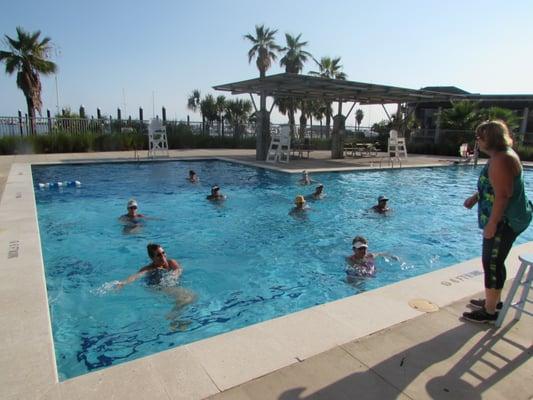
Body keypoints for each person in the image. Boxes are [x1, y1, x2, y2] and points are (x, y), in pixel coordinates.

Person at [462, 120, 532, 323]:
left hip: (505, 221)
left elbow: (503, 195)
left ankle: (489, 312)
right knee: (495, 262)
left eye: (480, 137)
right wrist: (476, 197)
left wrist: (492, 224)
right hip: (506, 218)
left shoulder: (501, 159)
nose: (477, 140)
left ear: (489, 139)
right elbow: (496, 185)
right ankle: (494, 301)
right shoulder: (500, 156)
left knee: (491, 262)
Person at [117, 244, 182, 287]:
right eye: (159, 255)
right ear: (152, 258)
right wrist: (122, 283)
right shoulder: (150, 268)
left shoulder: (171, 262)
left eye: (163, 253)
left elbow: (178, 270)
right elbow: (135, 276)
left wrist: (172, 277)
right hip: (155, 287)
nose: (163, 256)